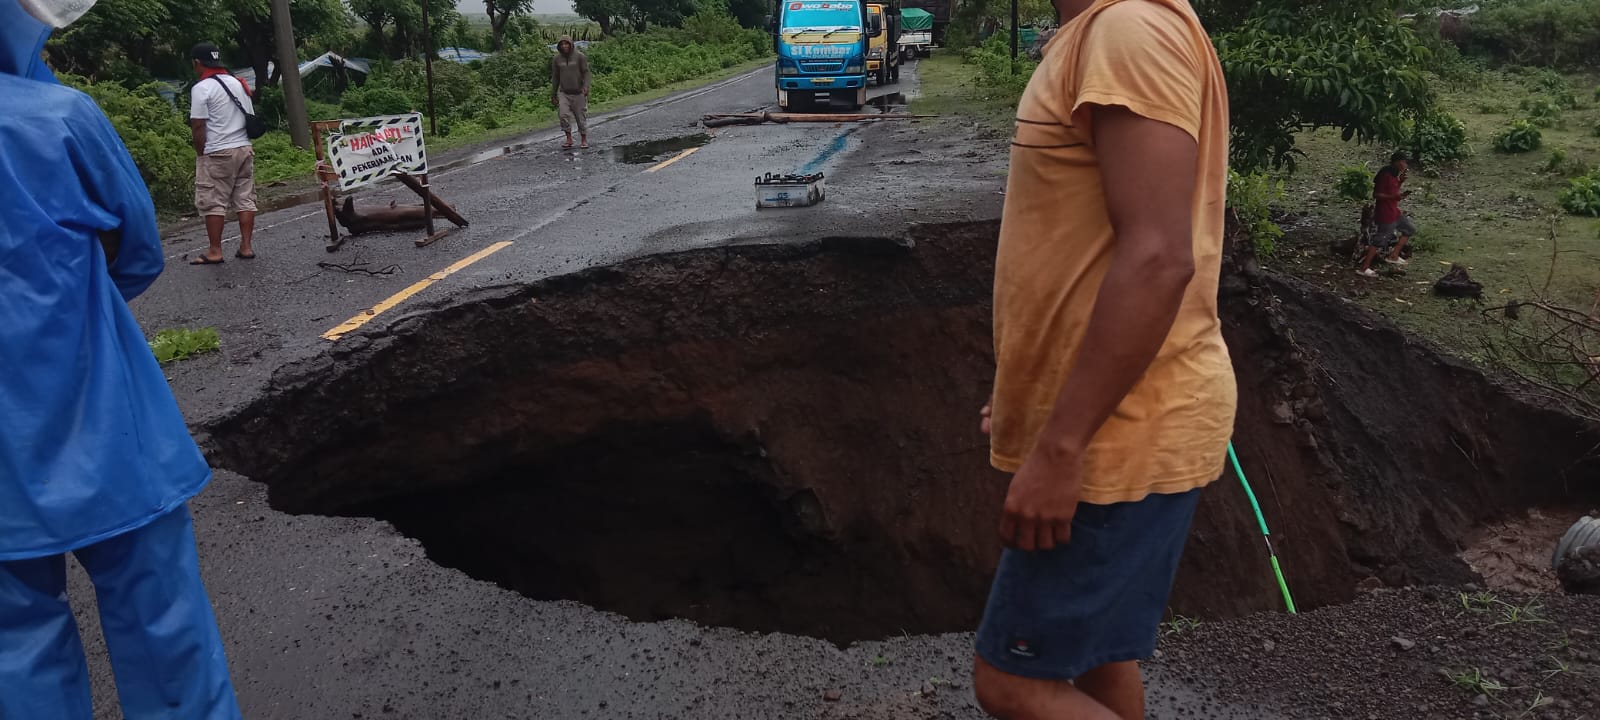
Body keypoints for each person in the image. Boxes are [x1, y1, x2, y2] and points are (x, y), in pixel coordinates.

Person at [972, 0, 1235, 718]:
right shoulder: (1098, 33)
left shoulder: (1127, 30)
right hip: (1109, 417)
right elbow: (1084, 245)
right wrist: (1029, 393)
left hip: (1118, 432)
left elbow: (1157, 258)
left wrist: (1061, 445)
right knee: (1096, 662)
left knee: (1012, 681)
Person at [0, 1, 243, 718]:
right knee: (163, 630)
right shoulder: (59, 118)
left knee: (17, 651)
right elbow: (137, 253)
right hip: (106, 429)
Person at [188, 41, 258, 265]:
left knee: (213, 201)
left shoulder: (202, 88)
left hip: (218, 151)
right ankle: (246, 247)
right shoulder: (238, 83)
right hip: (244, 148)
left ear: (197, 63)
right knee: (245, 198)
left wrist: (201, 154)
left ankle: (215, 251)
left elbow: (198, 126)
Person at [1358, 152, 1417, 278]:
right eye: (1404, 162)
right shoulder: (1385, 174)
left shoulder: (1395, 174)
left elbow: (1393, 190)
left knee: (1409, 229)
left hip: (1394, 211)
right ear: (1397, 162)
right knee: (1379, 240)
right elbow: (1377, 195)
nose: (1405, 165)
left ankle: (1393, 256)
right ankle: (1364, 268)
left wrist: (1400, 182)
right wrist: (1394, 196)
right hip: (1385, 213)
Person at [551, 35, 591, 149]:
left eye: (566, 43)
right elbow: (555, 77)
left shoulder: (579, 57)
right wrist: (553, 93)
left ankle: (583, 139)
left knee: (580, 117)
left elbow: (586, 73)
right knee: (563, 115)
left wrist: (586, 86)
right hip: (564, 92)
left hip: (578, 92)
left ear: (571, 44)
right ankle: (569, 138)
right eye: (562, 44)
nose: (564, 46)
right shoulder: (557, 59)